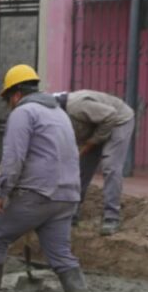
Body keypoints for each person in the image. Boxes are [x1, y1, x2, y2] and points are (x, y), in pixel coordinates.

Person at [0, 64, 88, 292]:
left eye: (8, 100)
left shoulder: (23, 112)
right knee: (60, 253)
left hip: (37, 193)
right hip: (67, 195)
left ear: (15, 95)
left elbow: (13, 158)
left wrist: (2, 192)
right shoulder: (59, 113)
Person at [55, 89, 135, 236]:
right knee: (81, 167)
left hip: (118, 120)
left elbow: (110, 116)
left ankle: (112, 216)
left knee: (110, 166)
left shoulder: (77, 106)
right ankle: (72, 212)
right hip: (96, 124)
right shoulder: (56, 116)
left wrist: (92, 142)